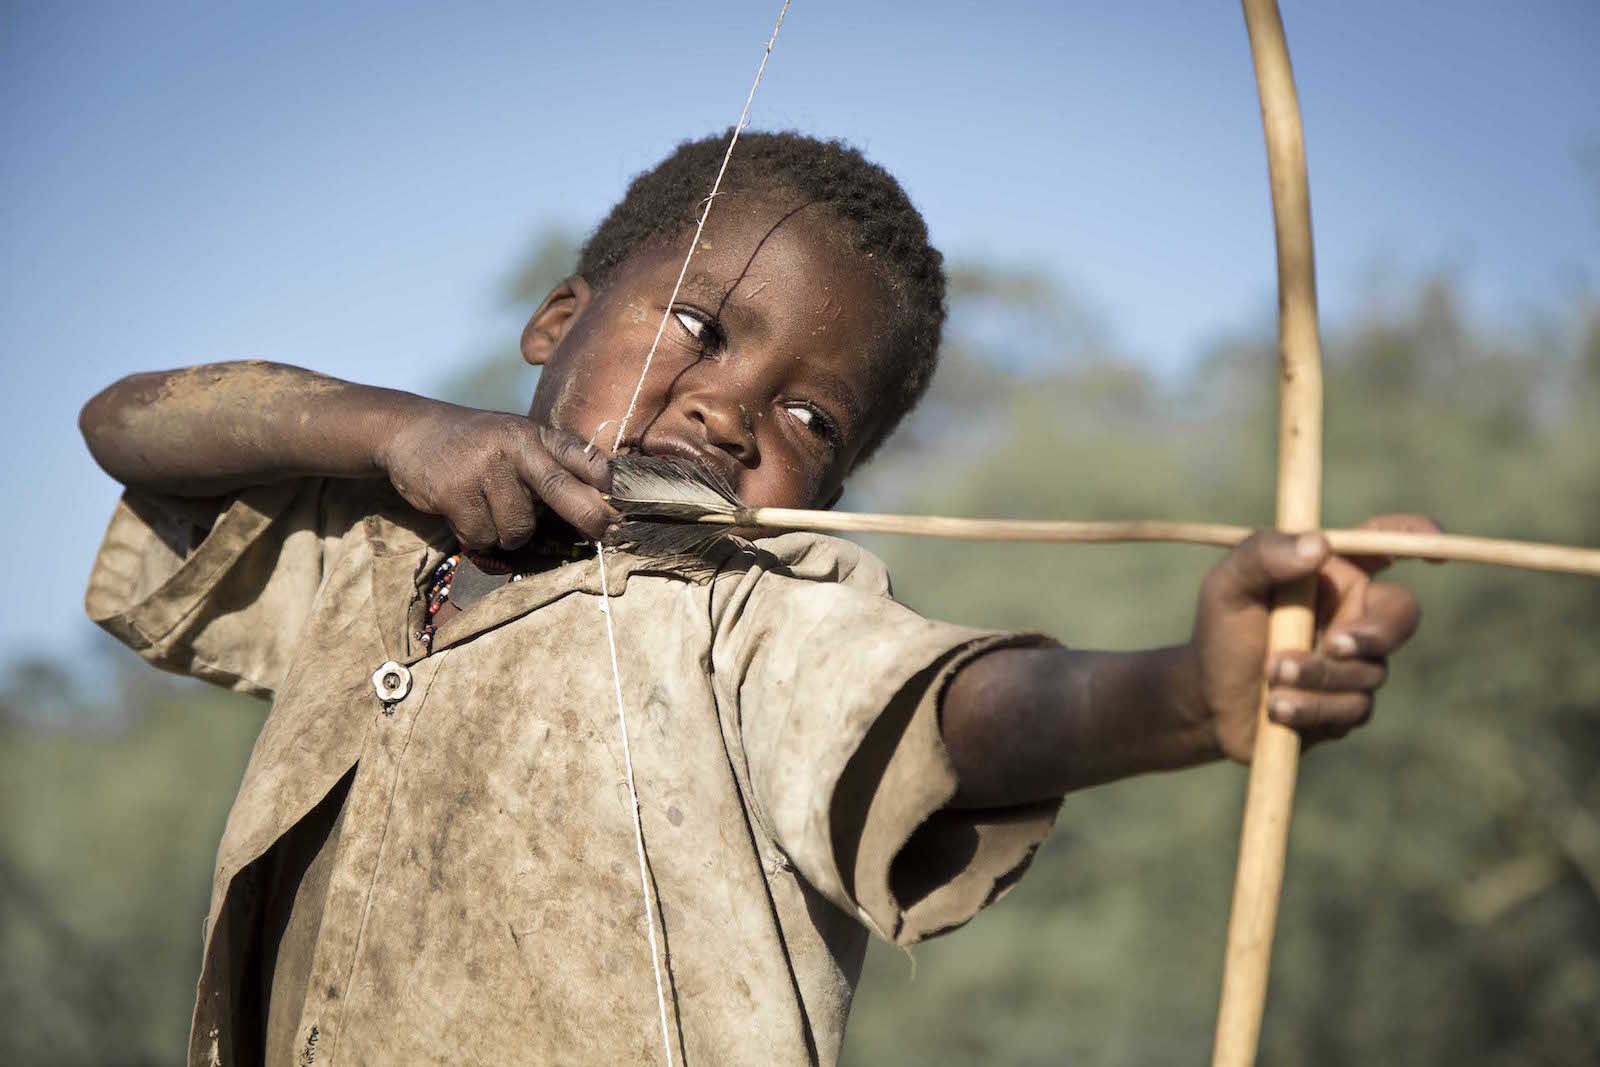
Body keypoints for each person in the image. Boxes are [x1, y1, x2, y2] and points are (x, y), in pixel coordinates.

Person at [80, 131, 1429, 1066]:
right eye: (700, 330)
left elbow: (960, 712)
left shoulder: (762, 612)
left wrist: (1189, 698)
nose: (728, 411)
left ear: (830, 494)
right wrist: (399, 433)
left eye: (808, 416)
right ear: (558, 320)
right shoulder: (373, 543)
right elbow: (130, 423)